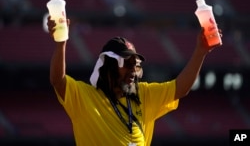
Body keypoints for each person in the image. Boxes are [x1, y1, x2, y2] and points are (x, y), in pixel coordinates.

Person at [47, 16, 222, 146]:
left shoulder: (144, 94)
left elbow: (180, 88)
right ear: (109, 65)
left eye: (136, 64)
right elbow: (57, 80)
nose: (133, 69)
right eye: (127, 63)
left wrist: (200, 52)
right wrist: (60, 44)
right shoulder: (84, 97)